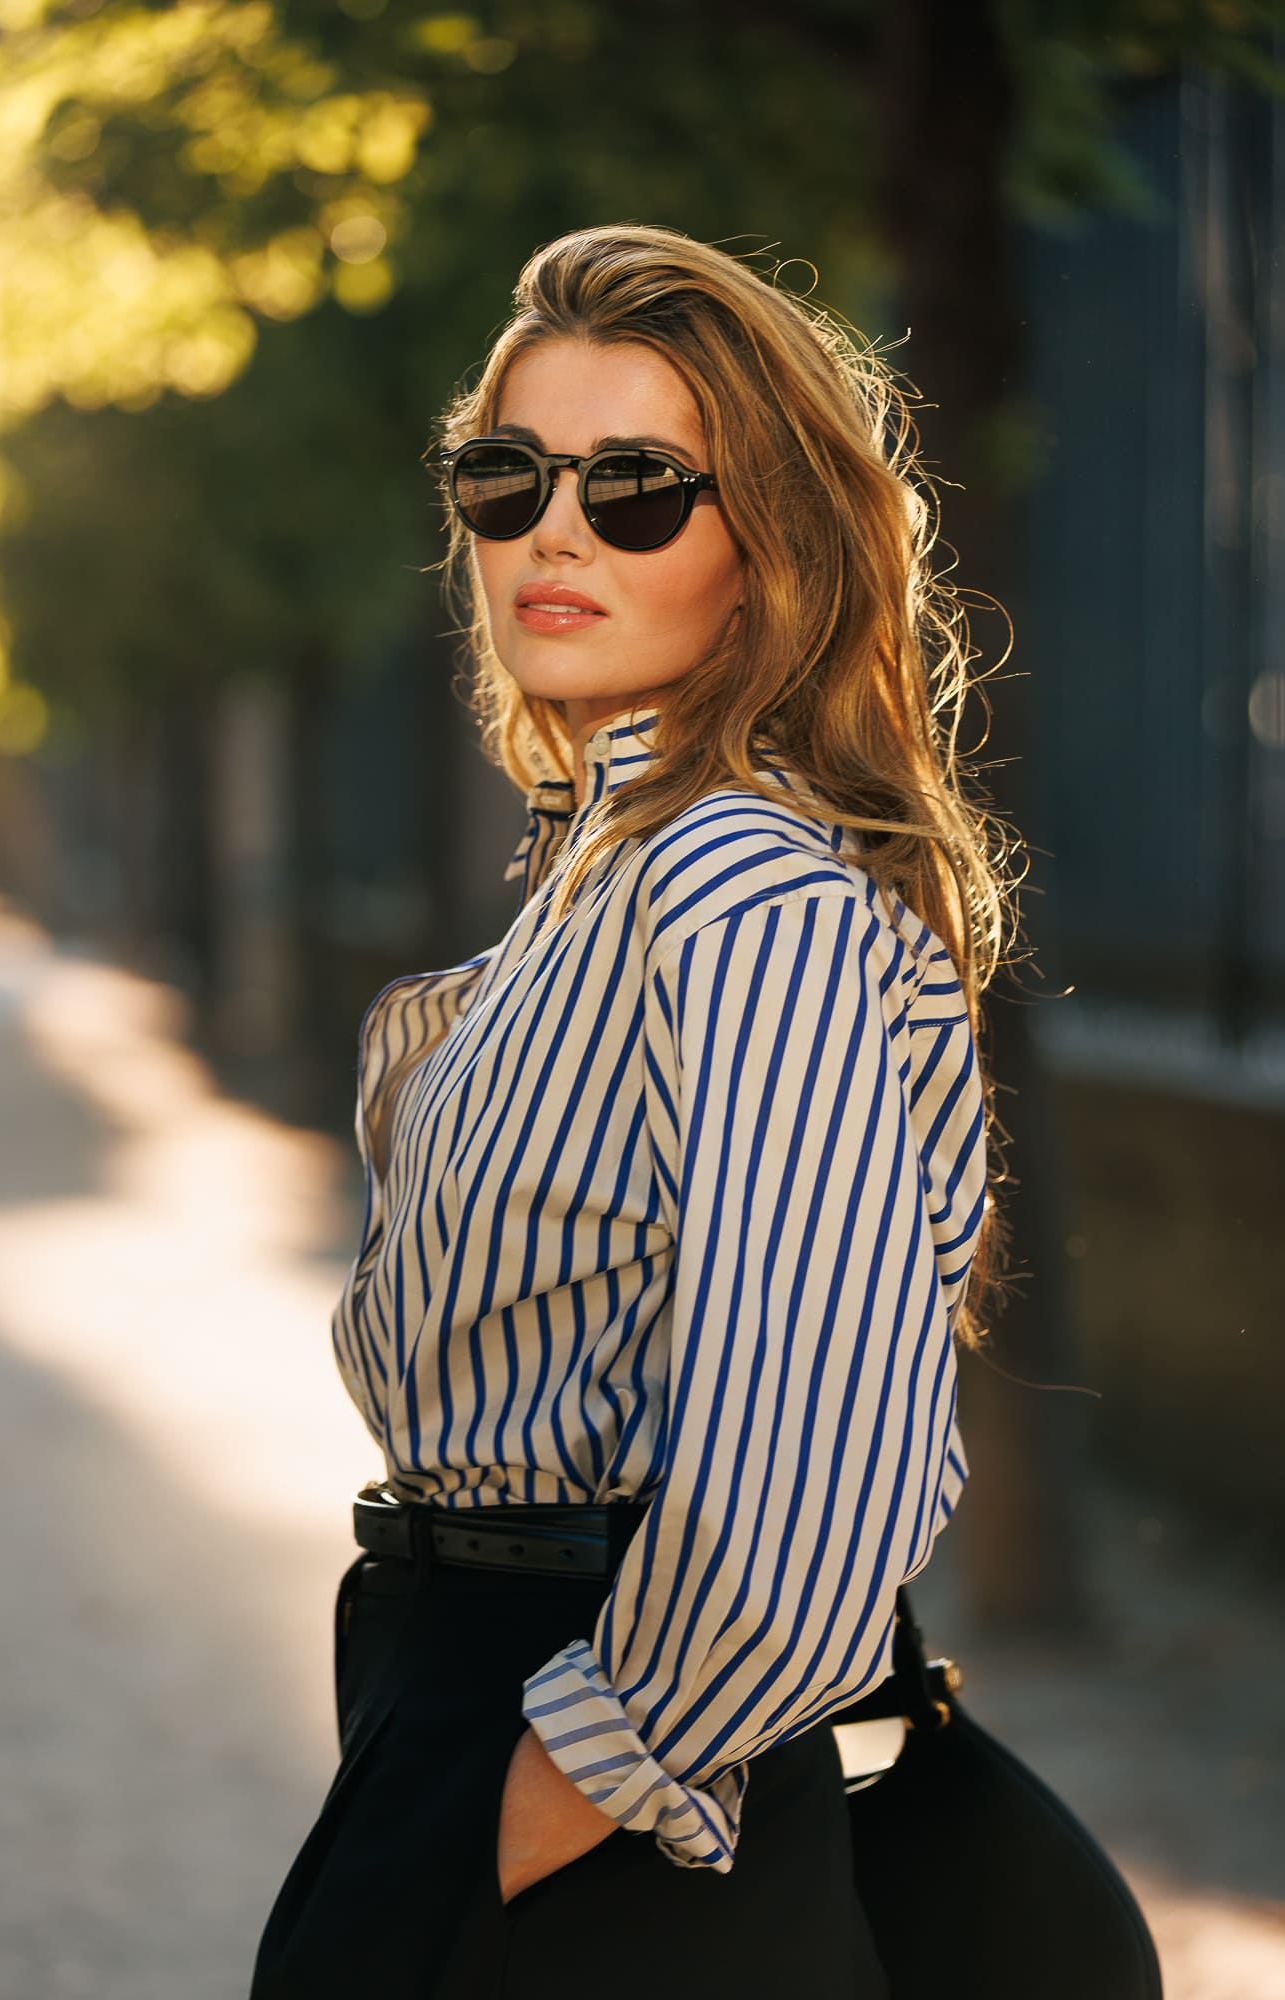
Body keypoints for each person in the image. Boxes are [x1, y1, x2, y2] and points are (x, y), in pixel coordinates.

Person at [248, 221, 1016, 2000]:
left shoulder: (741, 885)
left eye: (636, 486)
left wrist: (559, 1787)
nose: (553, 531)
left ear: (770, 550)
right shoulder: (611, 867)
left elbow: (809, 1455)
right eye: (506, 477)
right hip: (477, 1694)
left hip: (609, 1774)